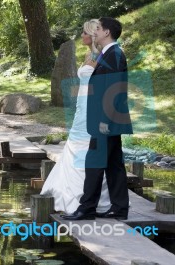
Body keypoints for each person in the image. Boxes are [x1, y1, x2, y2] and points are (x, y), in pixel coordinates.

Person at [62, 17, 133, 220]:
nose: (95, 32)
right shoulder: (108, 54)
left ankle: (87, 208)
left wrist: (104, 120)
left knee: (94, 162)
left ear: (107, 32)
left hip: (106, 121)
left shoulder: (114, 54)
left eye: (98, 29)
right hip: (109, 120)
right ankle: (119, 209)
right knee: (113, 164)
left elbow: (115, 91)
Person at [41, 19, 111, 215]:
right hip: (82, 106)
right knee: (75, 144)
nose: (81, 36)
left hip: (93, 108)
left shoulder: (102, 56)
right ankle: (69, 193)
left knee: (87, 147)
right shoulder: (89, 53)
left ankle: (86, 198)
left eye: (84, 33)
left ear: (93, 35)